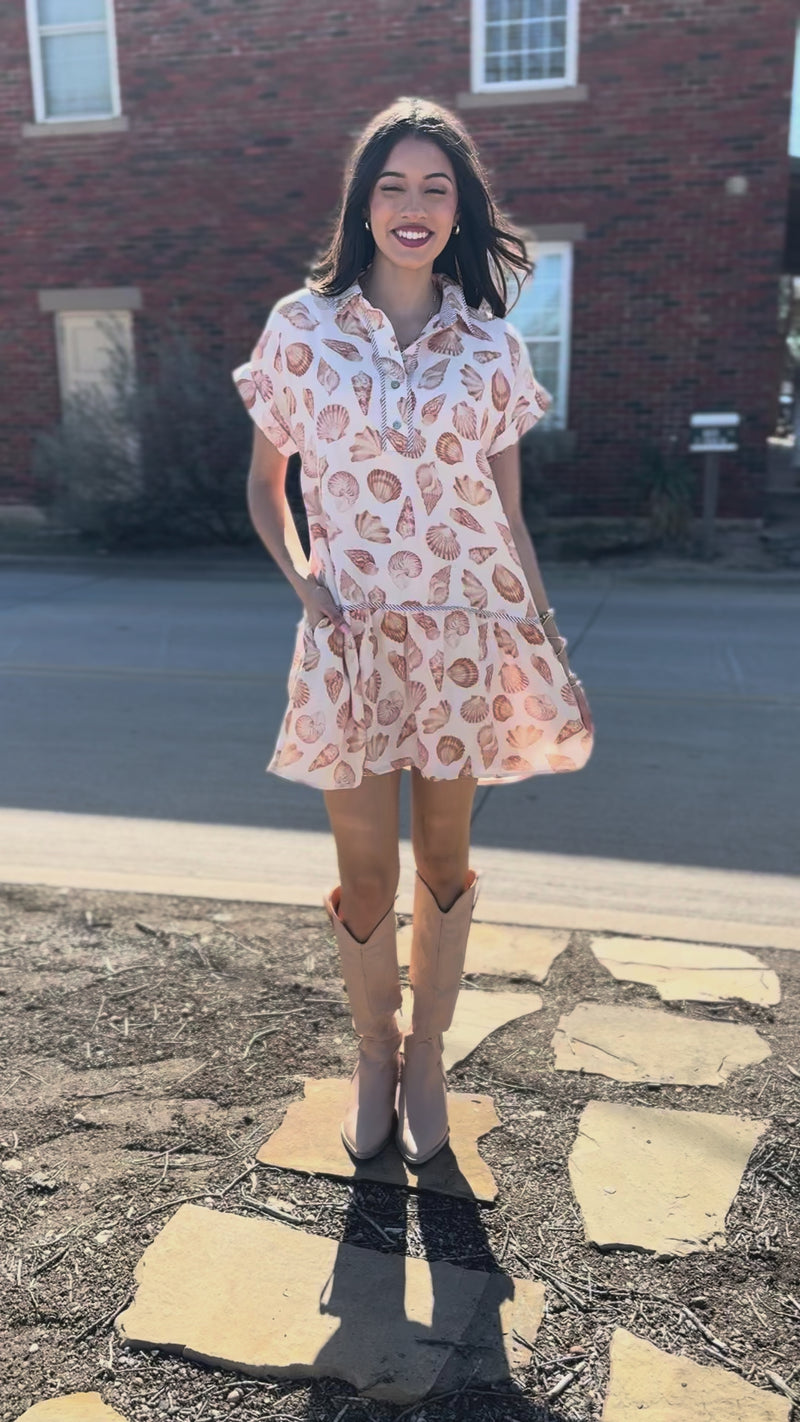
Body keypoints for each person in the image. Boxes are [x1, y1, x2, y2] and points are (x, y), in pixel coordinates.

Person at [232, 96, 594, 1170]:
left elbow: (506, 513)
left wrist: (544, 634)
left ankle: (427, 1054)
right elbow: (265, 485)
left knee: (443, 857)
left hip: (463, 640)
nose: (413, 204)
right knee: (364, 869)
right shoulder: (301, 330)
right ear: (363, 203)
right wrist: (305, 584)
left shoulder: (489, 345)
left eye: (436, 187)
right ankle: (373, 1055)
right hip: (349, 640)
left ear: (459, 210)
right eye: (392, 184)